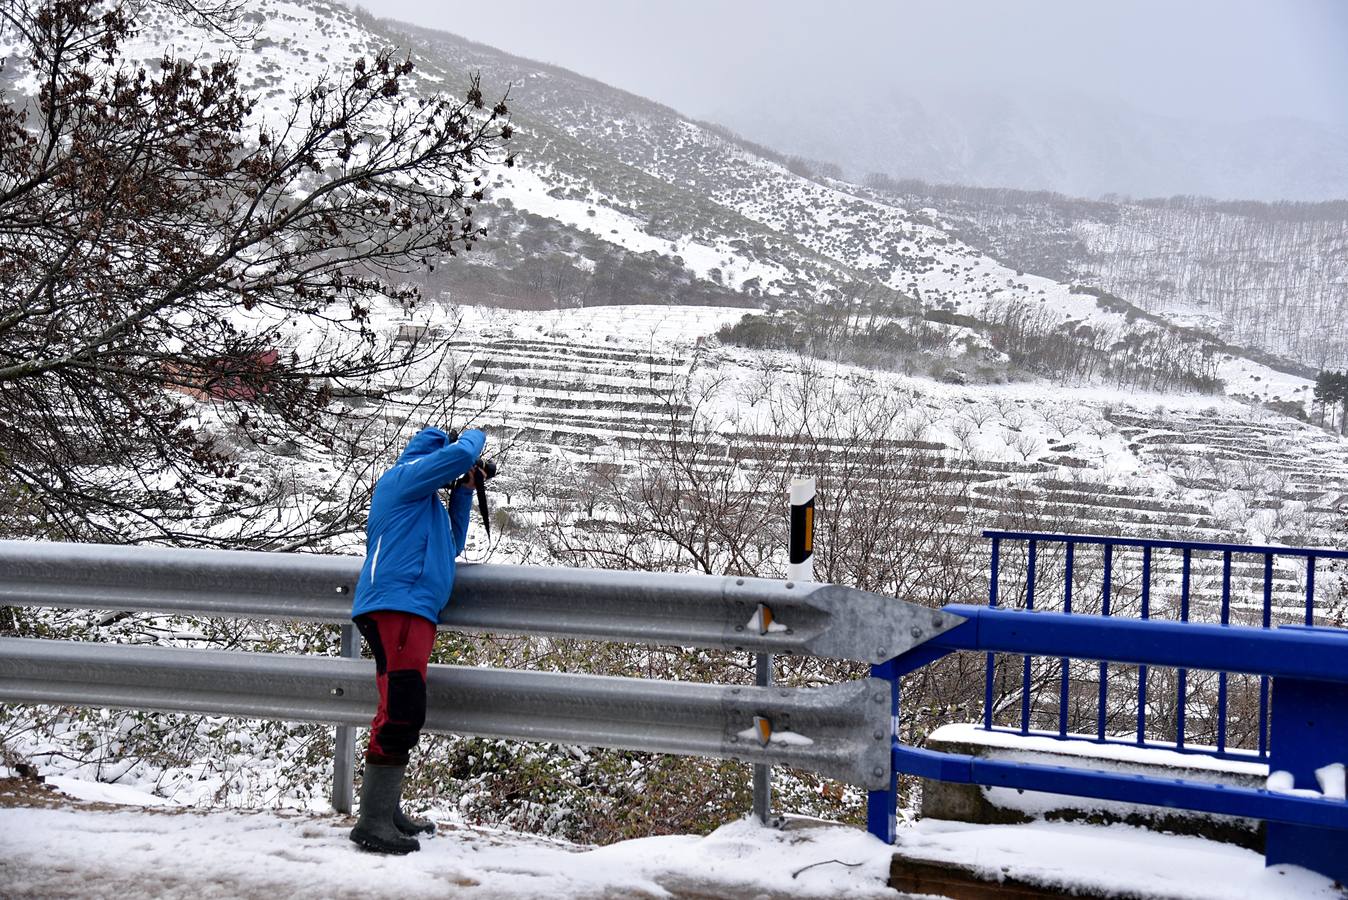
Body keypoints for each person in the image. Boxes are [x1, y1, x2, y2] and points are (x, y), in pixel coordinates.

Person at [348, 425, 486, 854]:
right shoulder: (402, 477)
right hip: (398, 607)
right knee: (404, 712)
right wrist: (474, 438)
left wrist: (463, 493)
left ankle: (384, 812)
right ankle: (372, 822)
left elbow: (453, 544)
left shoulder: (422, 504)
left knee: (395, 708)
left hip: (411, 609)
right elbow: (462, 453)